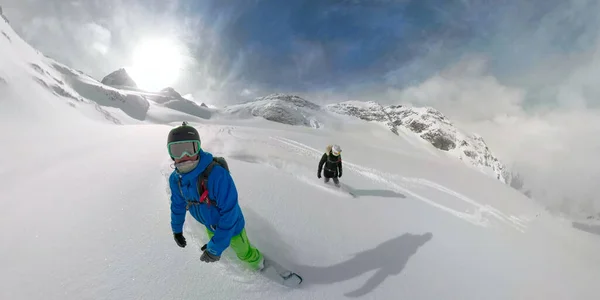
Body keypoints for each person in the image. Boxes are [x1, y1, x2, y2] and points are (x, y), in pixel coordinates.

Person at [167, 122, 264, 270]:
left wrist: (215, 248)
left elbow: (230, 213)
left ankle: (258, 263)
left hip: (233, 226)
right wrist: (177, 230)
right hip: (209, 224)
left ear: (198, 148)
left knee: (243, 252)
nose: (184, 156)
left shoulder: (216, 175)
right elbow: (177, 206)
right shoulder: (176, 179)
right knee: (218, 238)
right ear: (171, 154)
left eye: (189, 149)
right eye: (177, 150)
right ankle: (220, 241)